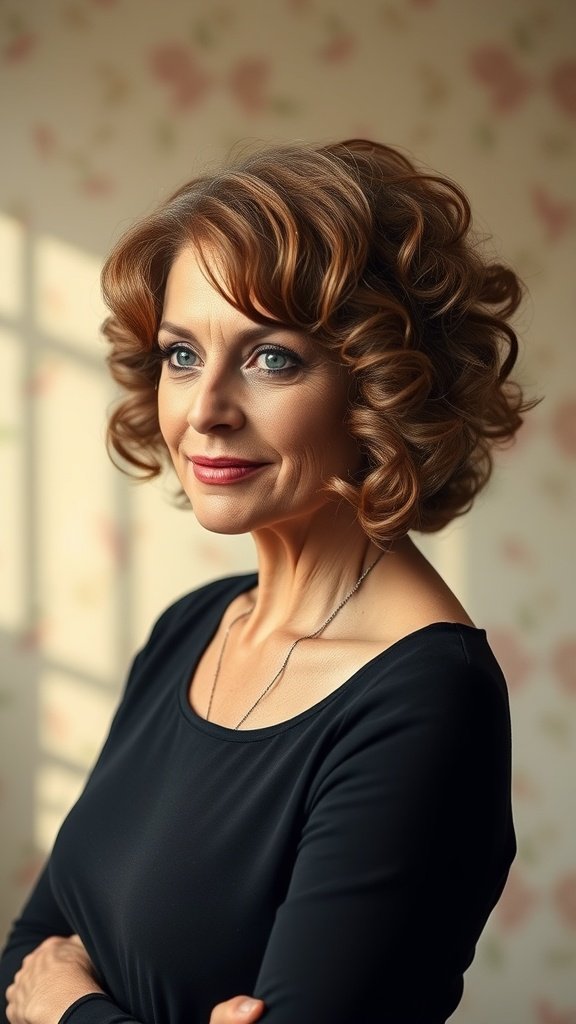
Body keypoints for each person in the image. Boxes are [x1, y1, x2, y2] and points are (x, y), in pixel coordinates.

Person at [1, 139, 531, 1024]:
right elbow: (29, 949)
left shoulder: (429, 702)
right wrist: (54, 988)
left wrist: (67, 1009)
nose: (205, 409)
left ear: (379, 385)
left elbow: (42, 984)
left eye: (271, 358)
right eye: (181, 354)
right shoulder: (194, 626)